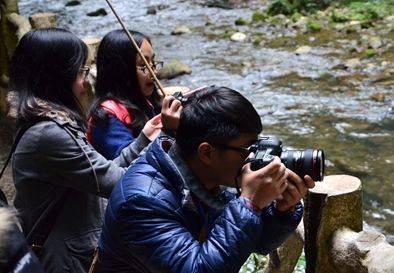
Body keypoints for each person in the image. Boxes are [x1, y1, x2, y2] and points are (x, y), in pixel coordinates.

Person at [8, 28, 182, 273]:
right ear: (58, 76)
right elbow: (118, 183)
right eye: (81, 72)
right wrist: (166, 136)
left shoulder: (46, 122)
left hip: (73, 250)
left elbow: (104, 170)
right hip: (66, 260)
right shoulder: (49, 134)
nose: (86, 82)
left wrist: (144, 138)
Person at [96, 86, 315, 273]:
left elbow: (255, 242)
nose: (253, 157)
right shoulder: (142, 201)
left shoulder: (207, 177)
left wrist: (280, 210)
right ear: (207, 153)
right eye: (247, 148)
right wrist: (250, 204)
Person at [88, 29, 164, 159]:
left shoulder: (145, 100)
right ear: (121, 70)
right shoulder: (108, 116)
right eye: (143, 64)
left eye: (153, 62)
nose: (153, 72)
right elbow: (123, 163)